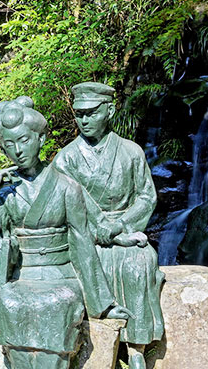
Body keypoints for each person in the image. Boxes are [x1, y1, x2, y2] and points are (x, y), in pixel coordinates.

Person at [0, 96, 130, 369]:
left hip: (60, 272)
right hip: (22, 272)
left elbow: (82, 244)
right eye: (9, 145)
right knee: (10, 302)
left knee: (58, 303)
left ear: (41, 139)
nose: (18, 151)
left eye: (24, 141)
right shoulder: (5, 190)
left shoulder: (67, 186)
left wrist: (102, 304)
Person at [53, 82, 164, 369]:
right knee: (86, 264)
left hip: (127, 231)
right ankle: (95, 343)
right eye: (79, 114)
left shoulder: (131, 152)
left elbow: (146, 196)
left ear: (110, 111)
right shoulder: (66, 158)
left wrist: (120, 226)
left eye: (91, 113)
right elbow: (65, 206)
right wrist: (98, 231)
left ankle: (136, 347)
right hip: (85, 237)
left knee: (138, 263)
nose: (84, 120)